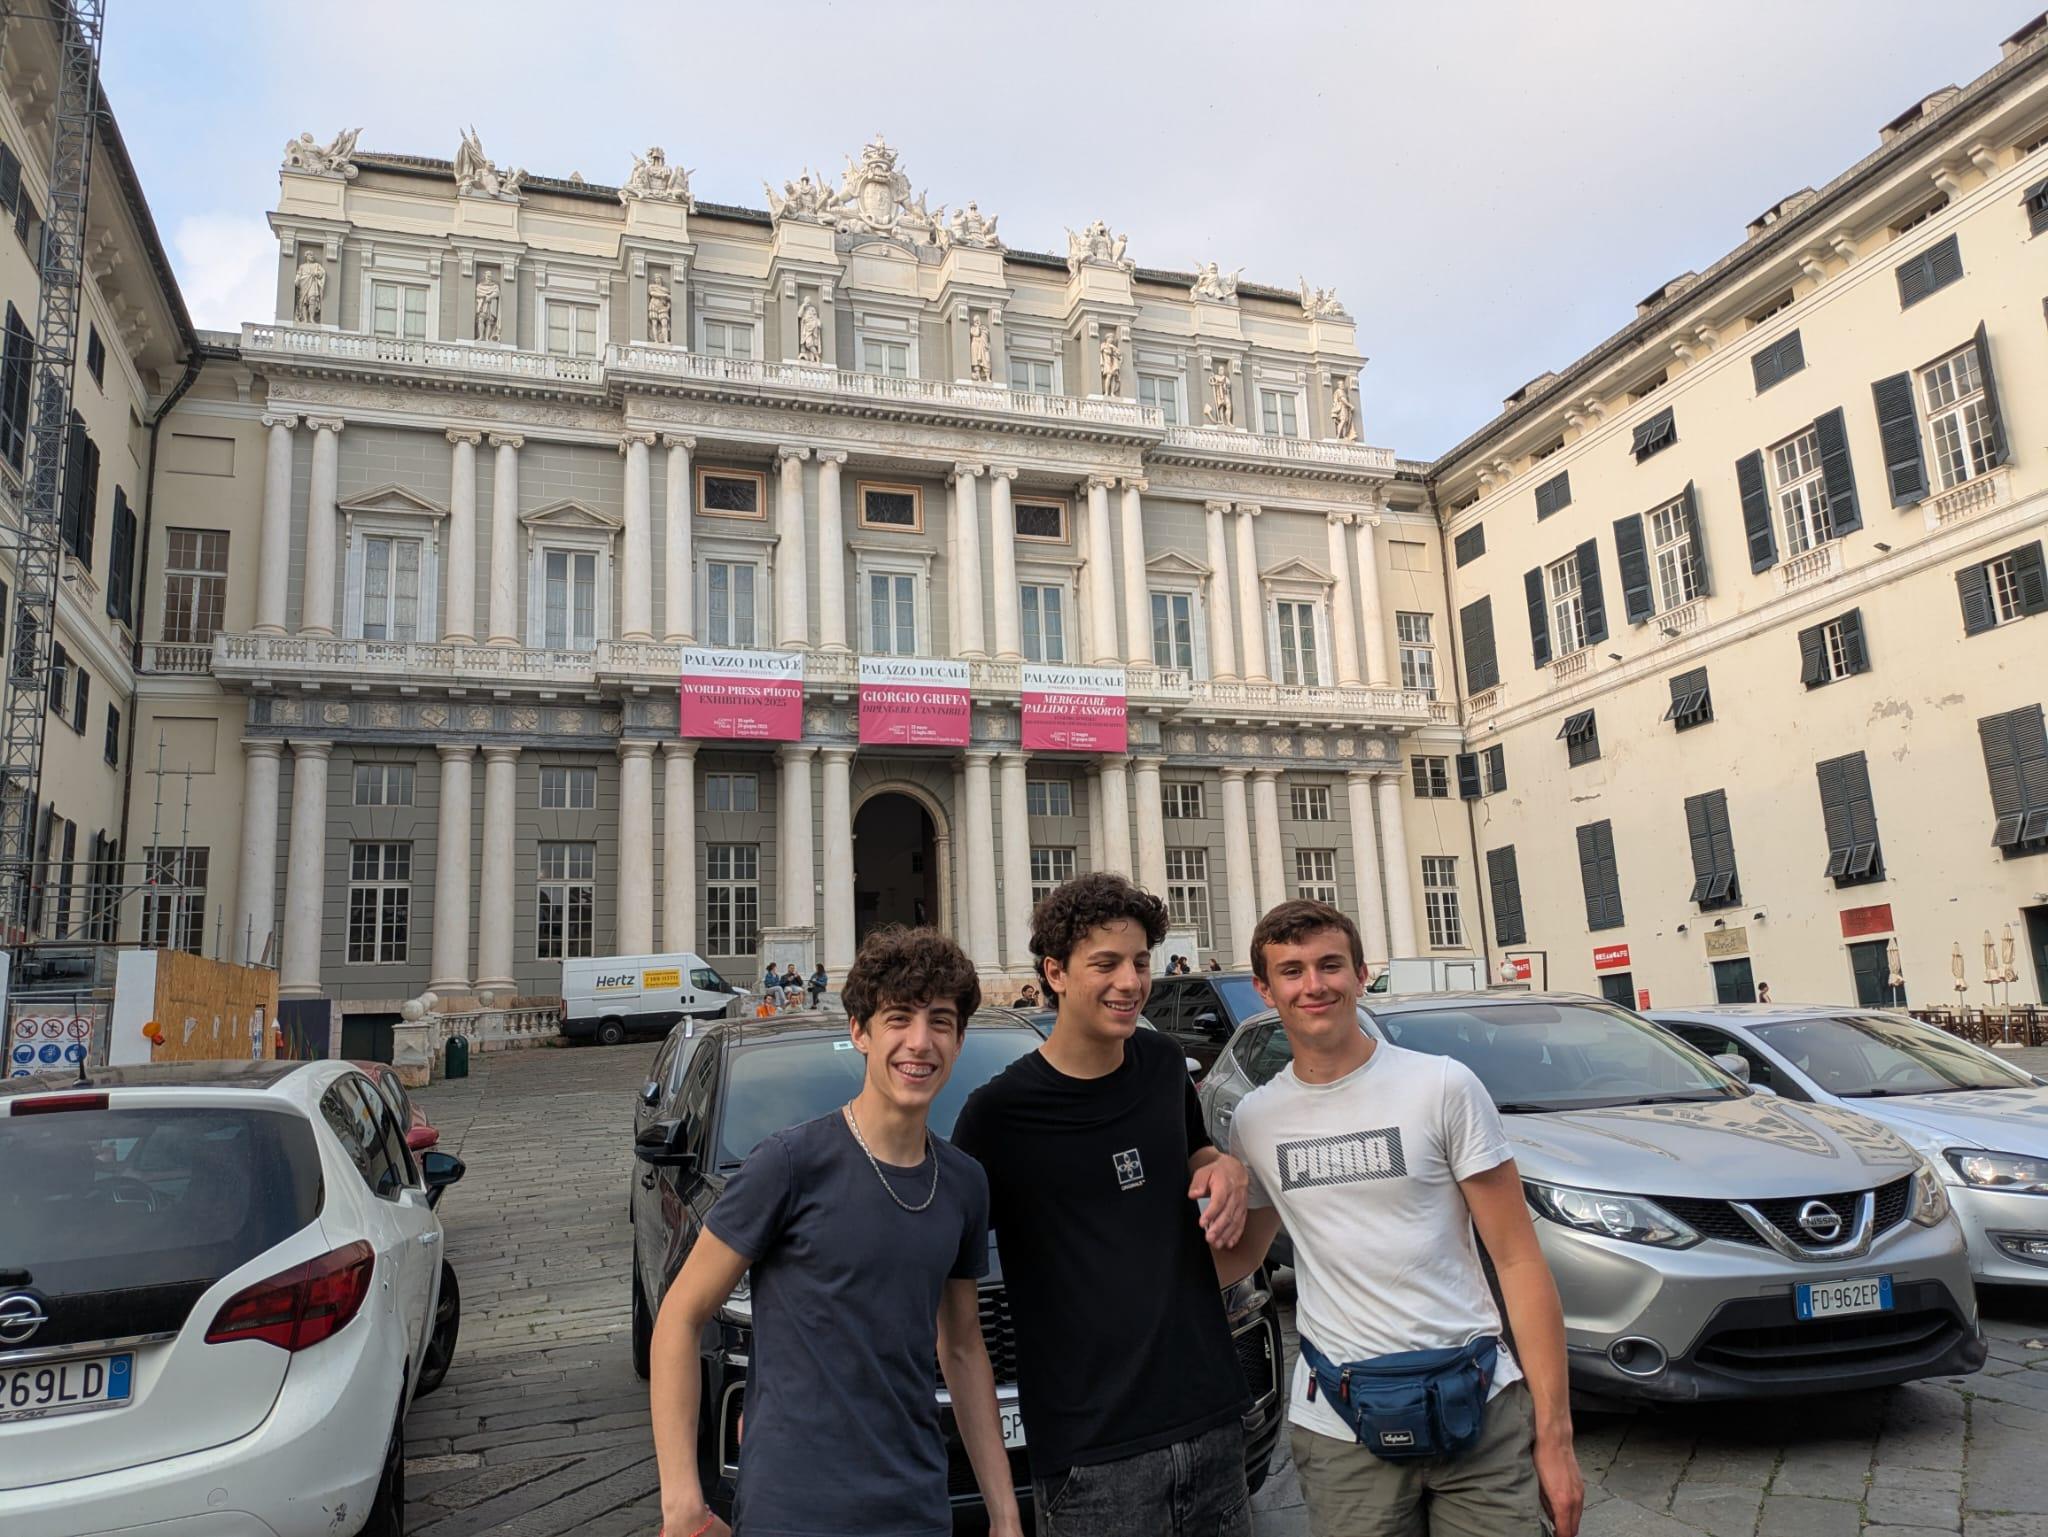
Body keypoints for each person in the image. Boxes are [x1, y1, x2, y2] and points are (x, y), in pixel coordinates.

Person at [1214, 900, 1583, 1537]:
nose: (1314, 985)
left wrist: (1555, 1436)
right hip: (1340, 1425)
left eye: (1331, 965)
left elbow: (1519, 1259)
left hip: (1482, 1408)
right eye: (1293, 971)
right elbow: (1242, 1253)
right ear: (1264, 991)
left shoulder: (1442, 1086)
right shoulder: (1256, 1119)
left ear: (1361, 974)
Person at [649, 927, 1024, 1537]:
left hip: (916, 1505)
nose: (919, 1042)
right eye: (898, 1018)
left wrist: (1005, 1514)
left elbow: (960, 1349)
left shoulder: (962, 1183)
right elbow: (680, 1317)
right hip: (794, 1508)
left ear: (959, 1041)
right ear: (860, 1032)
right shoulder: (789, 1165)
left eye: (941, 1021)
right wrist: (683, 1503)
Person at [953, 872, 1253, 1536]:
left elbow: (1195, 1152)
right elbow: (955, 1317)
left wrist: (1223, 1165)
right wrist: (1003, 1509)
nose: (1130, 981)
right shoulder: (997, 1116)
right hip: (1093, 1464)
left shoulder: (1158, 1061)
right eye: (1106, 963)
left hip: (1211, 1427)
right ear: (1056, 972)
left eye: (1140, 961)